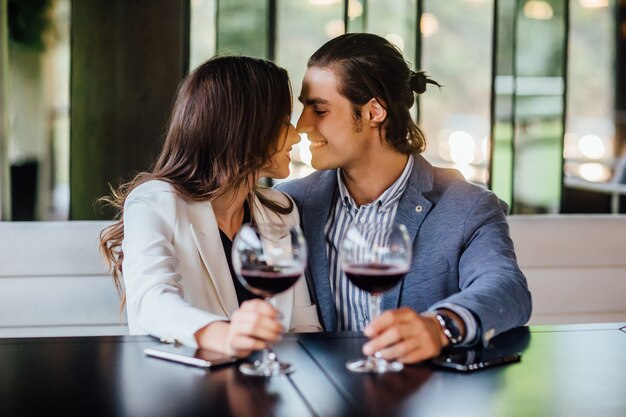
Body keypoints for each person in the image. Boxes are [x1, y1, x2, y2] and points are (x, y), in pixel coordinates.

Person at [277, 33, 531, 364]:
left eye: (319, 109)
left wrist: (440, 326)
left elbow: (507, 288)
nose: (302, 125)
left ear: (374, 111)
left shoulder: (467, 206)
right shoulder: (290, 204)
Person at [99, 56, 322, 358]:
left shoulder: (280, 209)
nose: (296, 135)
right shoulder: (154, 202)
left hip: (270, 389)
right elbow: (151, 300)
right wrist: (225, 335)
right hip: (184, 389)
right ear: (244, 129)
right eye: (283, 123)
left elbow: (302, 324)